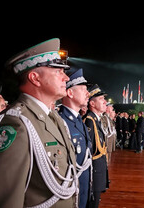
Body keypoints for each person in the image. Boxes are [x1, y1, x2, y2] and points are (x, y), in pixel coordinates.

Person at [0, 38, 78, 207]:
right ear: (35, 78)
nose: (66, 77)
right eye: (58, 71)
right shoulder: (16, 125)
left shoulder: (54, 119)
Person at [58, 68, 92, 208]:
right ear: (70, 93)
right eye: (83, 89)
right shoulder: (61, 122)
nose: (88, 93)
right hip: (69, 195)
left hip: (82, 191)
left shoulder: (78, 120)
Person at [84, 84, 108, 207]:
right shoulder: (89, 120)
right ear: (92, 104)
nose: (105, 102)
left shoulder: (96, 119)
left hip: (98, 171)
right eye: (101, 99)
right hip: (94, 172)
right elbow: (90, 151)